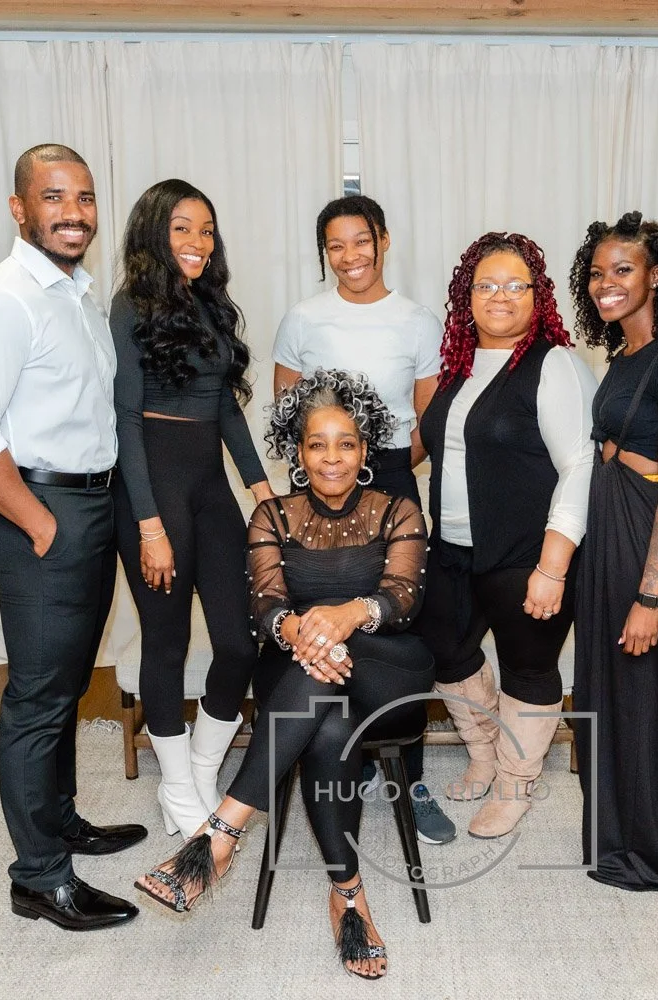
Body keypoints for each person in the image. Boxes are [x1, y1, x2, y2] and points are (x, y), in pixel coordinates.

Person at [134, 371, 431, 980]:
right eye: (317, 444)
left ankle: (222, 835)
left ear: (365, 449)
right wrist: (304, 634)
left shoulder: (397, 509)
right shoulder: (271, 514)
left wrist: (342, 617)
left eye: (345, 443)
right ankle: (348, 895)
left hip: (385, 669)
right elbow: (265, 608)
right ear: (298, 452)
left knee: (321, 690)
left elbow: (402, 597)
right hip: (300, 667)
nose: (331, 457)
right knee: (324, 726)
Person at [0, 144, 144, 932]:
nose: (74, 211)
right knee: (36, 699)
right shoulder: (3, 301)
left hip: (85, 507)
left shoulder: (75, 293)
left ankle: (60, 823)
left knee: (64, 688)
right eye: (54, 197)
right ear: (20, 209)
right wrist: (40, 522)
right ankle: (39, 878)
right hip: (41, 511)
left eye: (86, 198)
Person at [270, 194, 452, 845]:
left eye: (360, 241)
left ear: (383, 239)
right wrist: (331, 465)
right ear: (324, 253)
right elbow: (291, 412)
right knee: (320, 613)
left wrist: (384, 465)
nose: (350, 257)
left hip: (393, 472)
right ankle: (330, 747)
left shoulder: (418, 322)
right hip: (321, 482)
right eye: (336, 246)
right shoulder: (302, 319)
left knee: (398, 617)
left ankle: (411, 777)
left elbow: (427, 422)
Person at [110, 180, 273, 854]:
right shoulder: (128, 307)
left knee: (240, 640)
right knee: (167, 641)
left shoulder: (208, 305)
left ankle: (202, 768)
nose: (197, 243)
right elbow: (124, 419)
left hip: (210, 489)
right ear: (154, 233)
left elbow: (226, 408)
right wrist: (149, 525)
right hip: (153, 491)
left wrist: (261, 488)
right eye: (182, 229)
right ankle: (177, 785)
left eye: (206, 230)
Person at [418, 232, 596, 839]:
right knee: (447, 648)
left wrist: (553, 566)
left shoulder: (555, 364)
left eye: (515, 285)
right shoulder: (459, 368)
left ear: (537, 296)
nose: (500, 296)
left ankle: (517, 782)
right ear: (466, 296)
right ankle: (485, 753)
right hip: (454, 546)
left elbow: (580, 465)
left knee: (529, 664)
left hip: (526, 550)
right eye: (486, 284)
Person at [568, 211, 658, 893]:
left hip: (655, 543)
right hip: (611, 538)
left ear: (656, 276)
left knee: (645, 700)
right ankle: (616, 839)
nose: (606, 284)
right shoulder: (622, 355)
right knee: (607, 692)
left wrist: (651, 594)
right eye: (597, 273)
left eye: (622, 270)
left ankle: (657, 850)